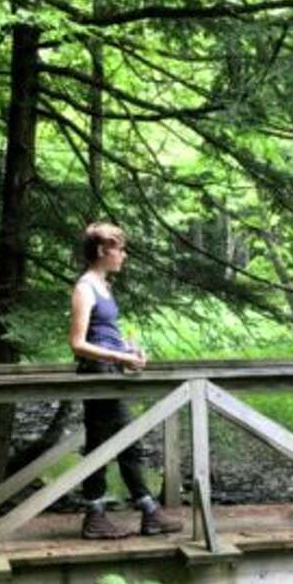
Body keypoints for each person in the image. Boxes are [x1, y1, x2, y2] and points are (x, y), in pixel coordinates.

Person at [71, 222, 181, 540]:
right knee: (117, 444)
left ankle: (126, 512)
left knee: (113, 444)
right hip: (98, 375)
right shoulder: (85, 288)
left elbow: (103, 336)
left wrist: (128, 350)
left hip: (110, 372)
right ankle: (123, 513)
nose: (124, 255)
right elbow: (78, 343)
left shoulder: (104, 286)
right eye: (119, 249)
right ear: (103, 251)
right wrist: (120, 358)